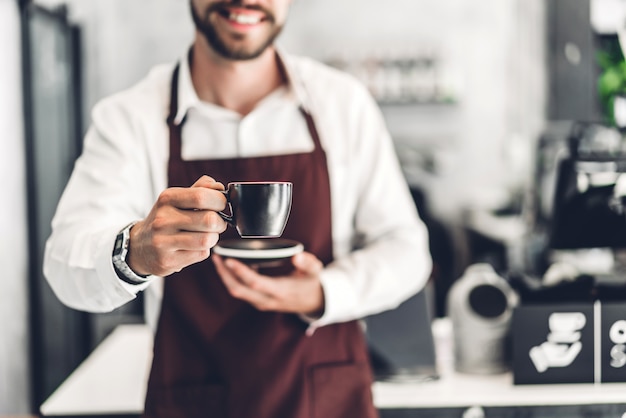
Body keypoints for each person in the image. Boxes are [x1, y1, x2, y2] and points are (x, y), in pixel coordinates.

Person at [44, 1, 432, 417]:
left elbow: (407, 249)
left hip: (326, 397)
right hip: (193, 398)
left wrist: (325, 291)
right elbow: (65, 267)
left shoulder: (342, 103)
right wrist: (134, 250)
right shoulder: (129, 118)